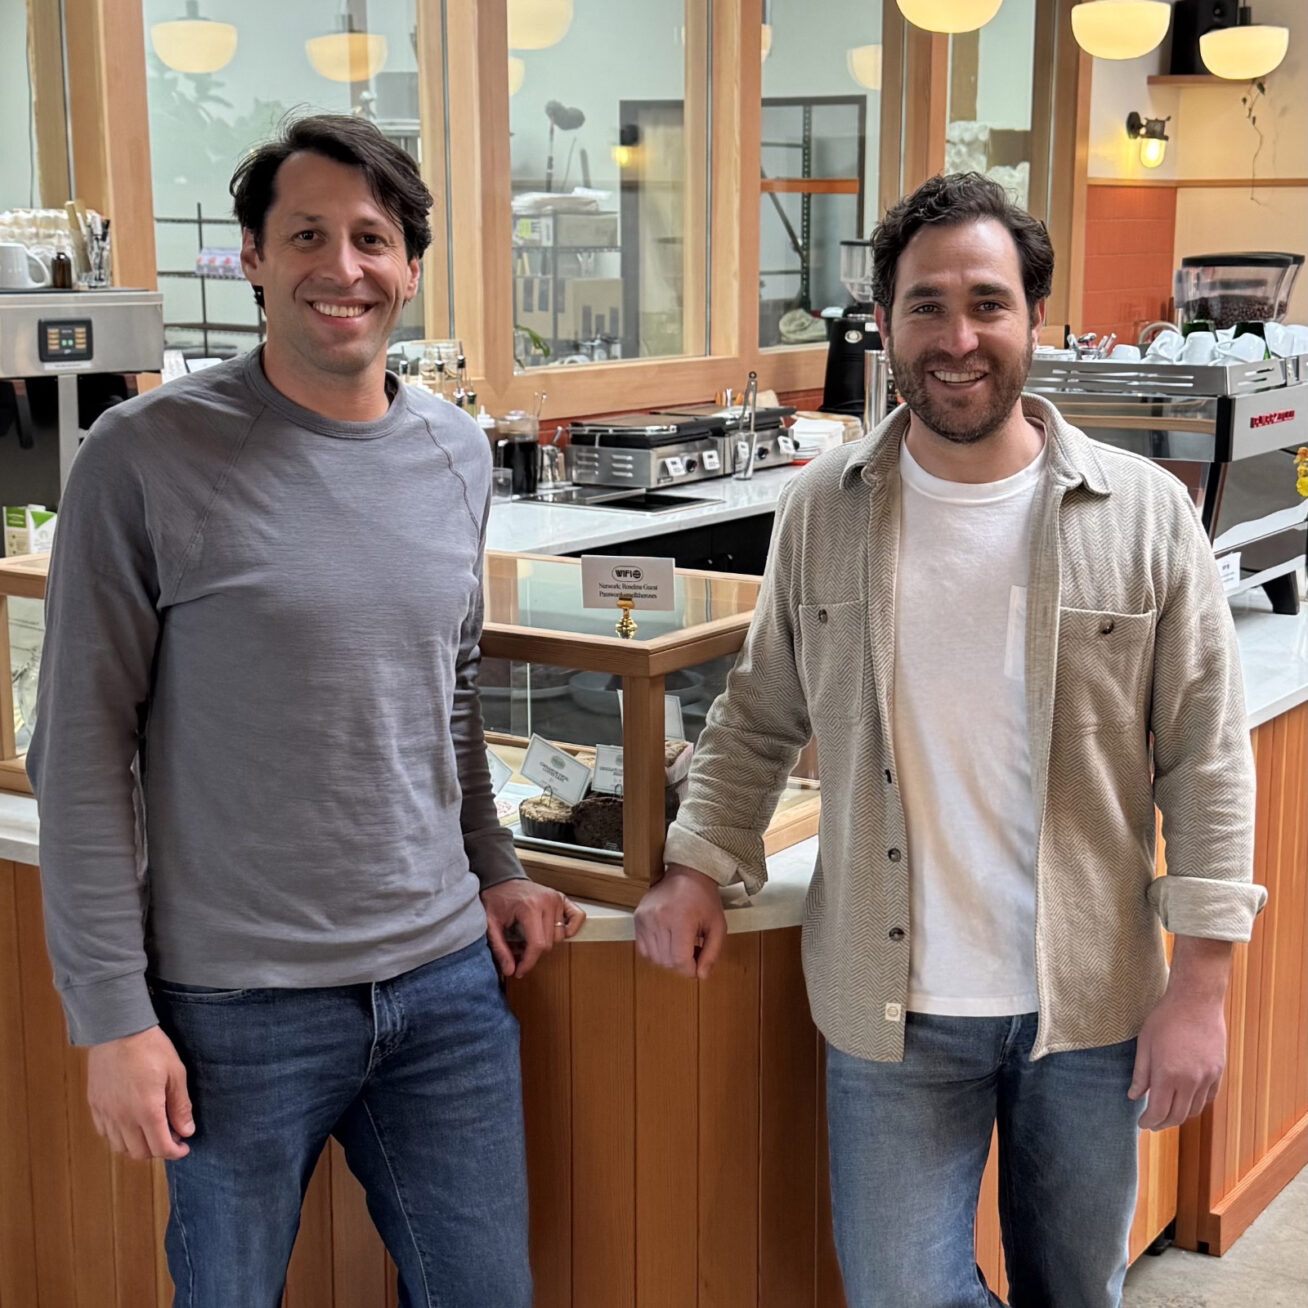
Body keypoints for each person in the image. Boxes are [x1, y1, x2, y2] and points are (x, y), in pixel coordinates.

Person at [634, 172, 1265, 1308]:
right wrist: (695, 863)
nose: (957, 337)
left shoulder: (1143, 513)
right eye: (926, 306)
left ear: (1035, 320)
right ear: (885, 324)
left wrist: (1205, 984)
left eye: (988, 303)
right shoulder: (823, 507)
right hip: (892, 1011)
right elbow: (761, 708)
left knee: (1078, 1288)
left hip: (1090, 1004)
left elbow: (1208, 757)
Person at [28, 114, 583, 1308]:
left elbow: (449, 694)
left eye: (373, 239)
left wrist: (492, 866)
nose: (345, 269)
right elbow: (77, 755)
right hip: (235, 1011)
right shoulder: (144, 457)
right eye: (309, 236)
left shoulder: (453, 450)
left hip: (444, 991)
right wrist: (109, 1019)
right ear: (253, 258)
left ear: (412, 268)